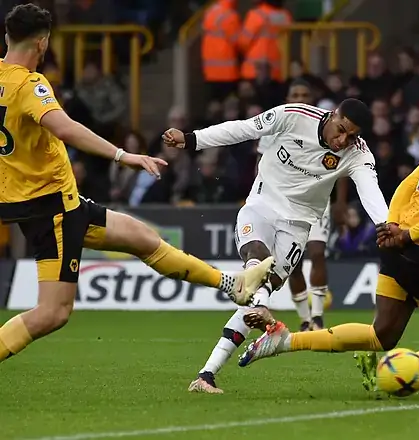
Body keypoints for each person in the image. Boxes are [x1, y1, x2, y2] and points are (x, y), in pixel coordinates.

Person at [0, 4, 274, 365]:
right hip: (52, 208)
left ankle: (232, 284)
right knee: (53, 313)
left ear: (7, 37)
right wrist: (122, 156)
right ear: (43, 43)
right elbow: (63, 127)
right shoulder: (29, 84)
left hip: (50, 202)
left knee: (141, 237)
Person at [237, 91, 419, 397]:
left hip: (397, 245)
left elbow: (410, 182)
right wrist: (409, 235)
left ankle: (284, 341)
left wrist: (391, 225)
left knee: (383, 335)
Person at [163, 98, 388, 394]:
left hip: (298, 225)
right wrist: (192, 140)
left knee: (260, 288)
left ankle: (206, 375)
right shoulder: (293, 116)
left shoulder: (357, 154)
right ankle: (262, 304)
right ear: (334, 115)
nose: (343, 140)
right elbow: (242, 129)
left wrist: (385, 224)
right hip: (262, 206)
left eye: (352, 136)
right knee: (257, 262)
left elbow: (369, 188)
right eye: (341, 130)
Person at [255, 78, 347, 332]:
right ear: (287, 98)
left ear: (312, 98)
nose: (300, 97)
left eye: (305, 93)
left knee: (317, 253)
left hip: (316, 202)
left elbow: (341, 167)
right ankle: (305, 319)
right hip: (281, 201)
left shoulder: (328, 127)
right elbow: (262, 164)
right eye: (295, 93)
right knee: (291, 263)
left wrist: (340, 202)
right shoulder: (276, 124)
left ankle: (317, 317)